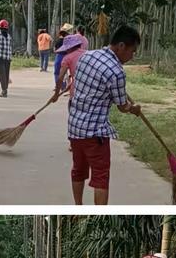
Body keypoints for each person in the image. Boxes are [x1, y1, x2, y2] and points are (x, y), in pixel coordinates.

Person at [68, 25, 142, 206]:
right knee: (101, 177)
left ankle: (78, 207)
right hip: (95, 133)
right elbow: (122, 106)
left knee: (78, 170)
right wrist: (135, 109)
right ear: (122, 46)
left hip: (75, 127)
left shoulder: (87, 56)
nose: (132, 57)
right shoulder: (116, 72)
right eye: (133, 51)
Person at [51, 34, 86, 102]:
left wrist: (56, 94)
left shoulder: (67, 58)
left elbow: (60, 77)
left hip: (76, 93)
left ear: (69, 48)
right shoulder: (87, 54)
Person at [0, 20, 13, 97]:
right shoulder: (9, 36)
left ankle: (4, 90)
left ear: (0, 27)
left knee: (2, 75)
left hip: (0, 58)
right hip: (8, 59)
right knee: (6, 75)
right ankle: (5, 89)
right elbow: (10, 47)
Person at [53, 23, 73, 89]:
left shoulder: (58, 41)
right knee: (65, 73)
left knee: (57, 72)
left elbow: (55, 50)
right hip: (67, 56)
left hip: (59, 57)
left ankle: (58, 85)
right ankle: (64, 86)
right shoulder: (69, 40)